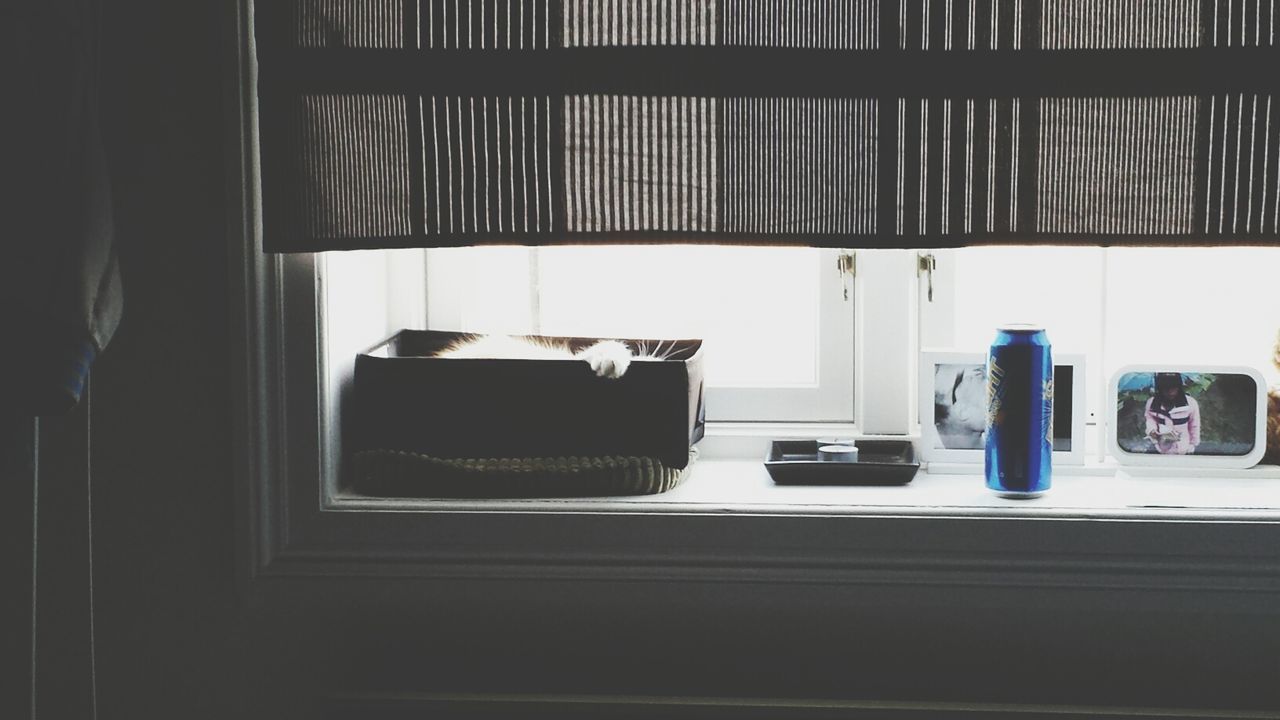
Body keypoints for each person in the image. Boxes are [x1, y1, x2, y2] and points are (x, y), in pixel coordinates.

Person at [1144, 373, 1201, 455]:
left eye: (1174, 387)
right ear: (1160, 388)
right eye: (1166, 388)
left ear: (1179, 387)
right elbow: (1150, 420)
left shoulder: (1191, 403)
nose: (1170, 392)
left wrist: (1192, 445)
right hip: (1161, 449)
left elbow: (1194, 425)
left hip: (1184, 449)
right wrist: (1153, 433)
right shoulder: (1151, 403)